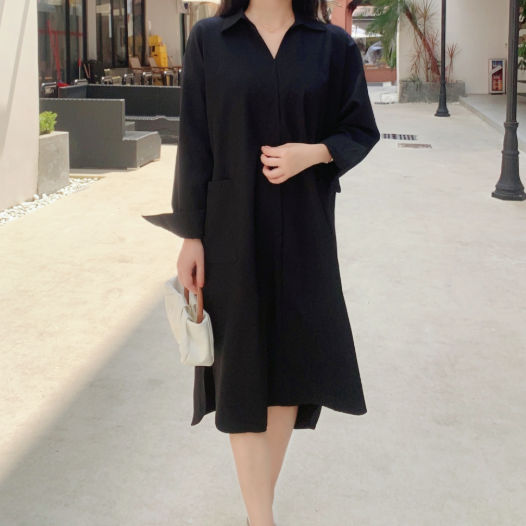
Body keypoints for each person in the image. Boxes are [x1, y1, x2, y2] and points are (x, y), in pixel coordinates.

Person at [142, 0, 380, 524]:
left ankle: (256, 515)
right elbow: (195, 143)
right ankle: (263, 519)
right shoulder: (210, 40)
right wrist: (190, 235)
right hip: (231, 230)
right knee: (241, 370)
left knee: (289, 366)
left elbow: (359, 129)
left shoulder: (333, 47)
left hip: (305, 229)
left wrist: (312, 152)